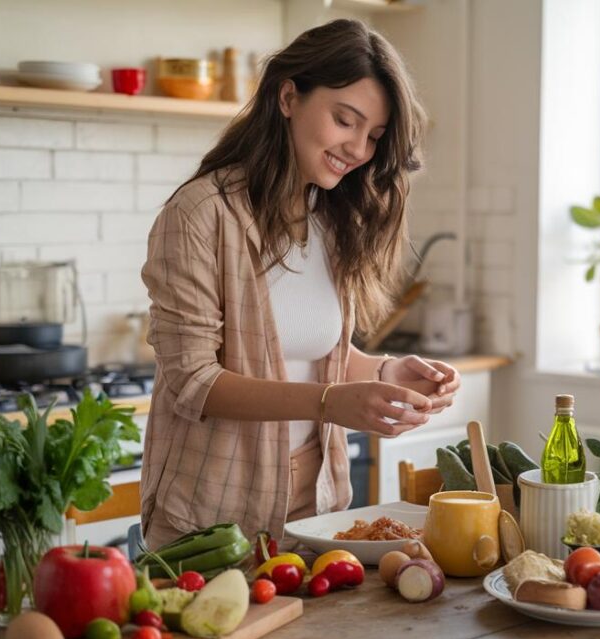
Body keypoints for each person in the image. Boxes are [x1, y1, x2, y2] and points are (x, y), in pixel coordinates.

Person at [140, 19, 460, 549]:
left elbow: (311, 354)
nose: (358, 149)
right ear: (288, 96)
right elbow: (193, 381)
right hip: (214, 513)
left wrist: (387, 371)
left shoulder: (331, 218)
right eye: (345, 120)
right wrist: (331, 401)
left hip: (318, 506)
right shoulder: (201, 213)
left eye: (374, 136)